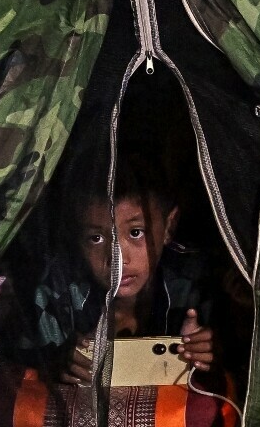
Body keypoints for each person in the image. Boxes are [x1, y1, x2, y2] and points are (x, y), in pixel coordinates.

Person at [57, 154, 215, 385]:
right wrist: (56, 360)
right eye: (96, 238)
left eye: (135, 232)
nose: (119, 259)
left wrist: (207, 349)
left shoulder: (195, 282)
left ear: (169, 227)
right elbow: (23, 356)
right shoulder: (60, 292)